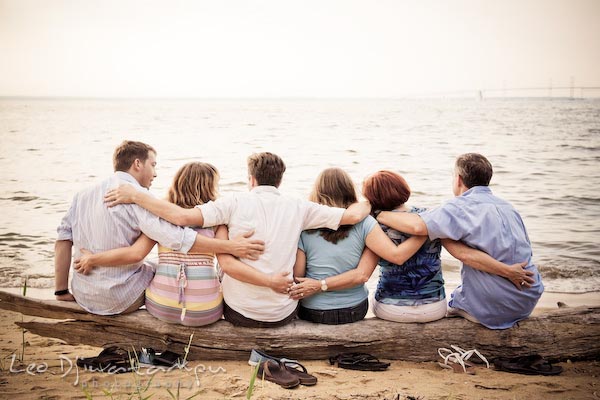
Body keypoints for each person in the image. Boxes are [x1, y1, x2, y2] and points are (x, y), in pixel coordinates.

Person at [103, 152, 371, 327]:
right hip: (281, 314)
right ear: (280, 179)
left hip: (239, 313)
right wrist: (371, 202)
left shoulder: (231, 203)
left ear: (250, 178)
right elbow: (351, 216)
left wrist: (137, 196)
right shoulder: (300, 207)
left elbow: (182, 218)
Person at [54, 141, 264, 315]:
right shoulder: (141, 200)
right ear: (138, 164)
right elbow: (177, 239)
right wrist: (231, 247)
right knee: (158, 268)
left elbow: (63, 240)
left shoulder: (82, 195)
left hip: (83, 294)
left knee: (161, 266)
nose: (155, 173)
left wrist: (61, 289)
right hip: (121, 299)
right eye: (153, 165)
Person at [376, 153, 543, 329]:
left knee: (453, 303)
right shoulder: (508, 207)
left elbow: (418, 227)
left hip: (494, 306)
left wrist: (378, 214)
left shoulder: (458, 207)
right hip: (528, 297)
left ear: (458, 179)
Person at [74, 162, 224, 326]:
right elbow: (225, 264)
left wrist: (93, 258)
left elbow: (136, 254)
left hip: (161, 308)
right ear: (211, 187)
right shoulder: (217, 220)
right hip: (205, 313)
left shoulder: (160, 218)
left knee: (152, 266)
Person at [288, 168, 428, 325]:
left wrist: (318, 285)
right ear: (349, 190)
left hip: (313, 310)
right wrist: (426, 232)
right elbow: (363, 274)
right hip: (354, 309)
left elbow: (298, 277)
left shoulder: (306, 227)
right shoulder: (367, 223)